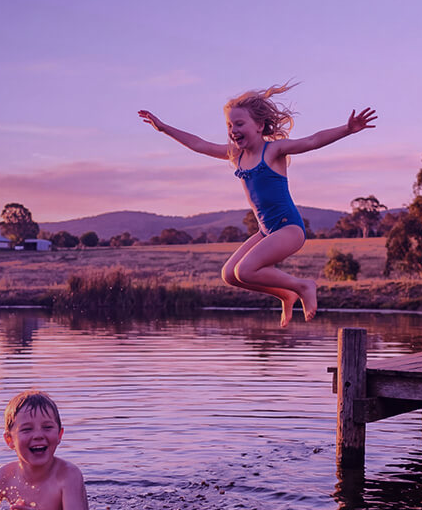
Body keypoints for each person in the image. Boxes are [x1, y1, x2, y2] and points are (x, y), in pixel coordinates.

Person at [139, 83, 377, 327]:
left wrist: (347, 129)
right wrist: (164, 128)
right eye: (230, 125)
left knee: (245, 271)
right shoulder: (236, 155)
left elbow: (312, 140)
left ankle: (303, 286)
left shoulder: (273, 150)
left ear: (260, 126)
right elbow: (200, 145)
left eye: (239, 124)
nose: (233, 130)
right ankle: (286, 294)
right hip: (267, 231)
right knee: (230, 274)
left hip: (288, 228)